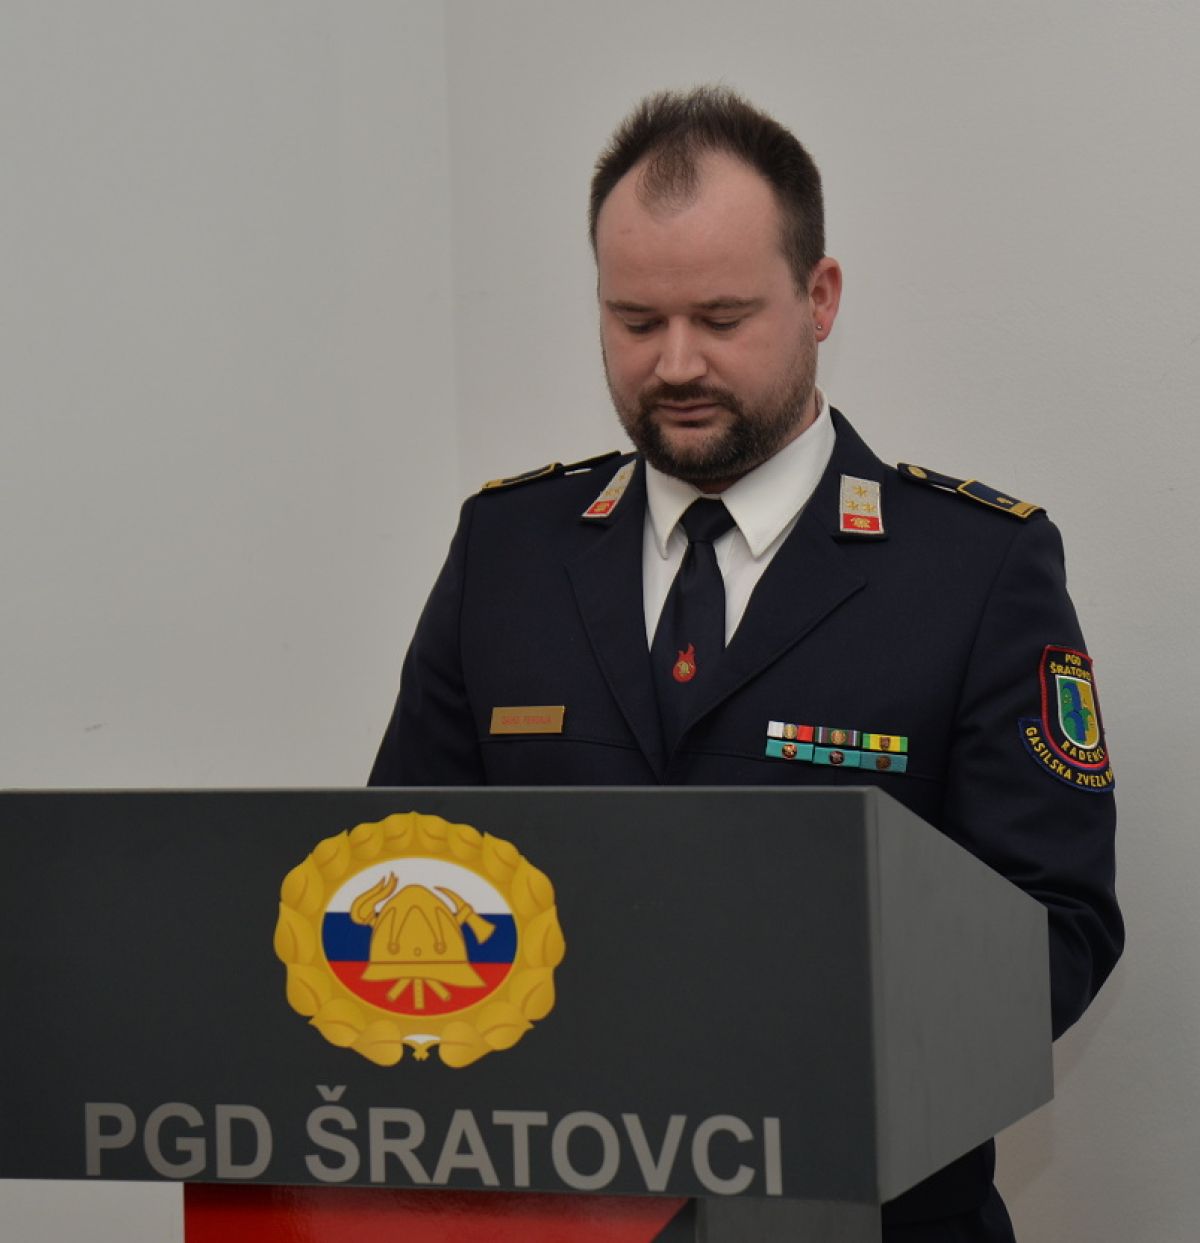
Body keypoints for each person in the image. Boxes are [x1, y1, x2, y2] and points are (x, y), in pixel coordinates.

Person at [370, 86, 1123, 1241]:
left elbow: (1053, 930)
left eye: (722, 318)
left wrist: (783, 1054)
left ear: (819, 299)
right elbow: (402, 869)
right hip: (553, 1210)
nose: (675, 363)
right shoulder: (506, 552)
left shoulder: (972, 570)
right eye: (635, 321)